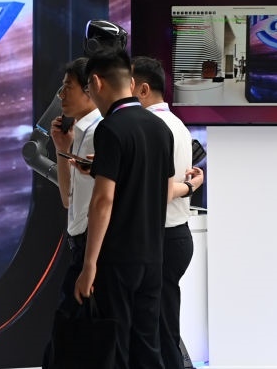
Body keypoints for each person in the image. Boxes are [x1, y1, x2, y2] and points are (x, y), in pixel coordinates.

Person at [74, 49, 174, 369]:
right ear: (130, 83)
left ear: (96, 82)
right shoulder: (161, 128)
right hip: (153, 256)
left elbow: (103, 201)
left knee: (114, 347)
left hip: (117, 258)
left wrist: (89, 264)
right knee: (147, 346)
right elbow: (159, 186)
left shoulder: (110, 128)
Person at [132, 56, 204, 369]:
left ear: (143, 90)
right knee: (161, 329)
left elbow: (156, 191)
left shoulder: (154, 126)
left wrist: (188, 187)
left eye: (127, 85)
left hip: (162, 239)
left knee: (159, 333)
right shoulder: (177, 124)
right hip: (172, 236)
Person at [42, 57, 103, 367]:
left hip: (93, 246)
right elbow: (69, 198)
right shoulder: (80, 132)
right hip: (80, 243)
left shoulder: (99, 132)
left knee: (71, 336)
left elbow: (104, 200)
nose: (61, 95)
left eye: (68, 87)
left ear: (90, 90)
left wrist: (90, 262)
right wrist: (61, 149)